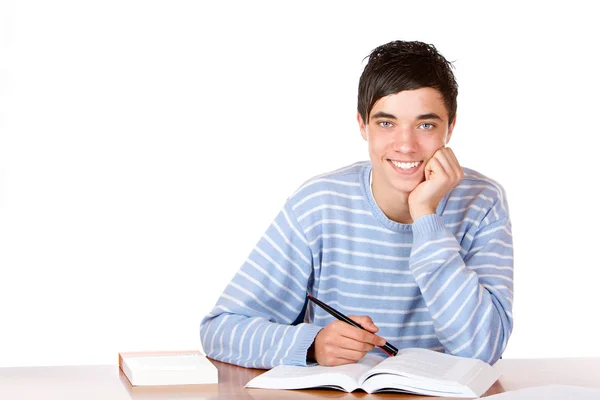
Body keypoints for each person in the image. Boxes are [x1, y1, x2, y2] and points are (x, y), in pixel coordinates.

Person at [199, 40, 513, 369]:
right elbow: (220, 330)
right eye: (386, 123)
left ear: (450, 128)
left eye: (425, 125)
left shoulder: (482, 201)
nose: (405, 145)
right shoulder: (319, 203)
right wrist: (313, 344)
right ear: (363, 125)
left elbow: (482, 349)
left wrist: (426, 217)